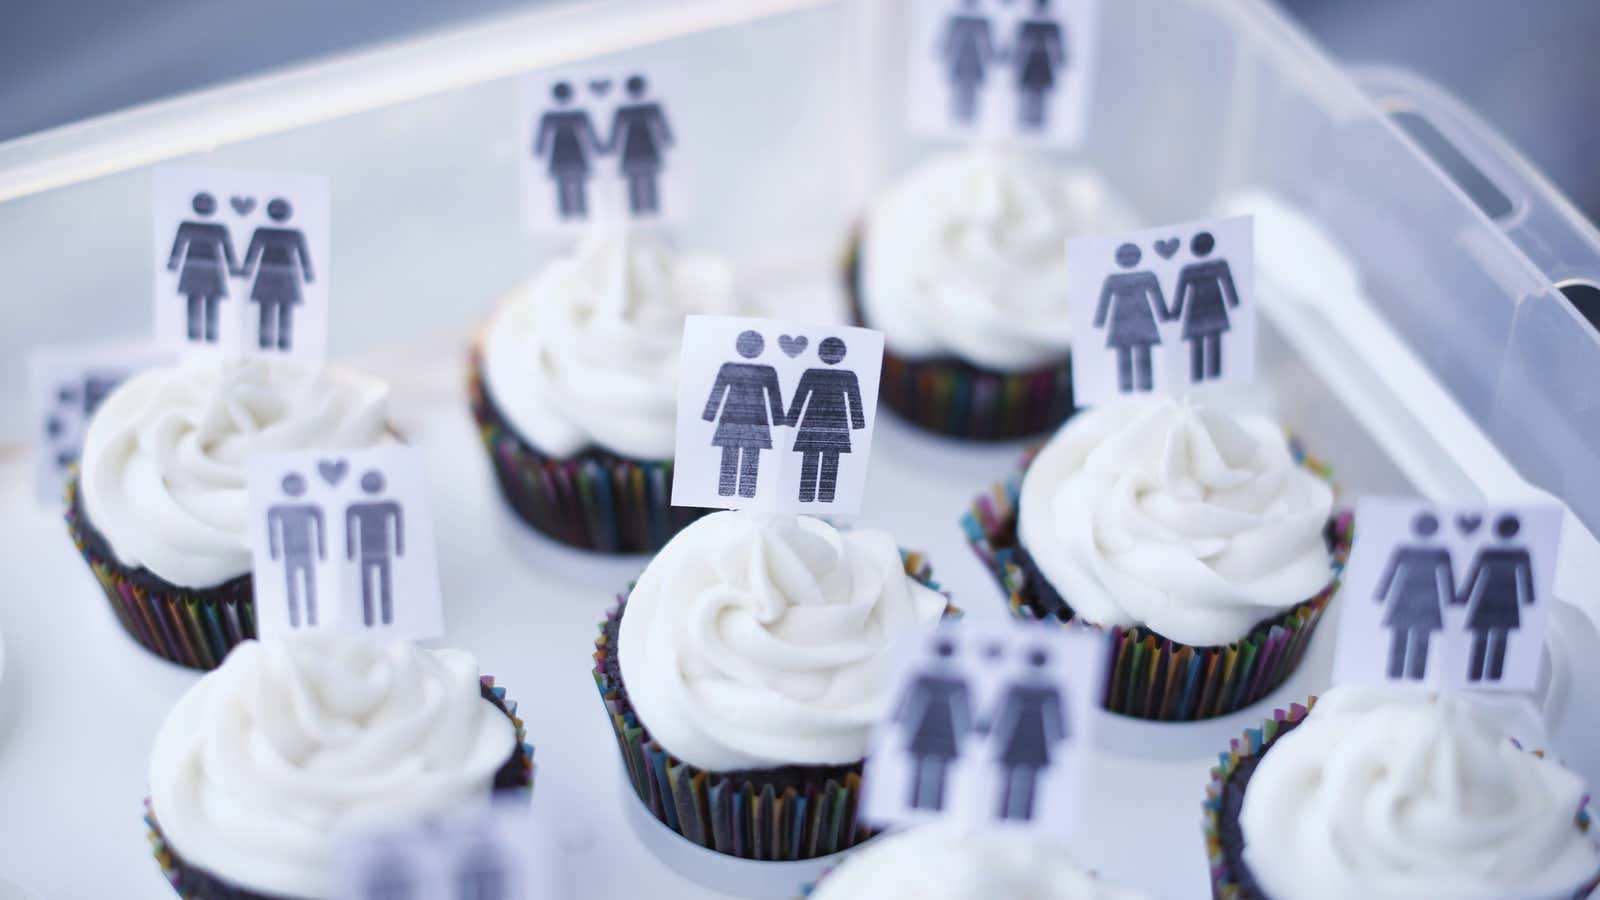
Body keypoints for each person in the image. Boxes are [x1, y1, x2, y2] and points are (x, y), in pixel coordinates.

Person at [702, 331, 786, 499]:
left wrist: (709, 415)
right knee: (744, 456)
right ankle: (734, 491)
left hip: (738, 419)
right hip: (753, 420)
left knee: (738, 456)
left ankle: (734, 491)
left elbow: (718, 392)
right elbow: (774, 397)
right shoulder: (766, 371)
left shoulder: (733, 368)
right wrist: (779, 420)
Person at [893, 637, 972, 812]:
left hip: (926, 727)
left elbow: (907, 702)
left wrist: (898, 719)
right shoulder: (957, 680)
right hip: (944, 729)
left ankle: (917, 806)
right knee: (934, 771)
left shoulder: (924, 676)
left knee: (922, 770)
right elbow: (965, 711)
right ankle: (928, 807)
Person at [988, 646, 1067, 821]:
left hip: (1017, 737)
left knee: (1011, 780)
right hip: (1037, 739)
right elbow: (1060, 720)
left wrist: (993, 733)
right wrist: (1061, 737)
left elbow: (1001, 713)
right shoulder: (1050, 689)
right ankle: (1021, 818)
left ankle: (1006, 816)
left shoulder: (1016, 685)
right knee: (1030, 782)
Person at [1454, 514, 1535, 682]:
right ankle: (1482, 675)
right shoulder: (1502, 552)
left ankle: (1489, 676)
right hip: (1499, 598)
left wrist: (1463, 596)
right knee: (1490, 638)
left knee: (1495, 639)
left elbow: (1525, 578)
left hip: (1497, 597)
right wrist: (1529, 599)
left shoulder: (1517, 553)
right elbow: (1475, 575)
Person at [1374, 512, 1454, 680]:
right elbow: (1392, 572)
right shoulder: (1408, 551)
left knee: (1411, 639)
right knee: (1408, 639)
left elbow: (1447, 576)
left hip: (1418, 597)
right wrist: (1453, 598)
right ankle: (1403, 675)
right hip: (1415, 596)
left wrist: (1381, 594)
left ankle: (1409, 676)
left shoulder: (1439, 553)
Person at [785, 337, 866, 503]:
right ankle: (809, 495)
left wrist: (859, 424)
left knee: (828, 461)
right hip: (821, 423)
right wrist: (790, 420)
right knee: (814, 460)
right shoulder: (812, 373)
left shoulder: (846, 375)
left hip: (830, 424)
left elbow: (854, 400)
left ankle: (822, 496)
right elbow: (800, 397)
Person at [1092, 243, 1169, 393]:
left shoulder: (1146, 276)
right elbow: (1105, 301)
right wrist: (1099, 322)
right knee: (1125, 356)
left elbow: (1156, 296)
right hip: (1126, 320)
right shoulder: (1114, 279)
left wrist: (1165, 315)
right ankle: (1128, 386)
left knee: (1142, 354)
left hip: (1134, 319)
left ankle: (1146, 385)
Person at [239, 198, 314, 351]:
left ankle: (283, 343)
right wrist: (245, 270)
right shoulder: (262, 232)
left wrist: (307, 273)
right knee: (267, 310)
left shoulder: (294, 234)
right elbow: (253, 252)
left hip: (285, 275)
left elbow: (303, 255)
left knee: (284, 310)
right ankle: (264, 343)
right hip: (269, 275)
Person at [166, 191, 238, 343]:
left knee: (209, 304)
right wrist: (173, 264)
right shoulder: (189, 226)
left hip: (207, 269)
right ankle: (195, 336)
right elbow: (178, 246)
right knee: (196, 302)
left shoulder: (219, 228)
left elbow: (228, 249)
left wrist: (233, 269)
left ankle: (210, 336)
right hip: (197, 269)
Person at [1170, 231, 1240, 383]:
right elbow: (1228, 287)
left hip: (1205, 308)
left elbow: (1227, 285)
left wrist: (1175, 312)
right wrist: (1233, 302)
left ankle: (1209, 374)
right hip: (1206, 308)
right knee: (1204, 343)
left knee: (1208, 342)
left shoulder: (1197, 268)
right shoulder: (1194, 268)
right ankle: (1202, 374)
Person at [533, 81, 604, 219]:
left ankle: (572, 215)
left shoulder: (551, 116)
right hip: (573, 155)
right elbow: (591, 136)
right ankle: (574, 215)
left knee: (565, 189)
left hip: (561, 156)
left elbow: (541, 141)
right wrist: (599, 149)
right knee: (574, 188)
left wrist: (539, 151)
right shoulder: (577, 114)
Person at [606, 75, 674, 216]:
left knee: (636, 185)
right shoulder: (650, 108)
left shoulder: (623, 110)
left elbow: (614, 136)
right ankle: (647, 212)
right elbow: (665, 134)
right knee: (648, 183)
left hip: (632, 152)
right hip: (647, 151)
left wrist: (608, 148)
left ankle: (643, 213)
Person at [346, 470, 405, 627]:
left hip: (382, 551)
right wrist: (350, 550)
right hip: (365, 551)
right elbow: (350, 530)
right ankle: (369, 618)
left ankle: (385, 617)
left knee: (384, 583)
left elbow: (397, 527)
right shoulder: (355, 507)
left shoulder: (389, 505)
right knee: (366, 584)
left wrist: (398, 548)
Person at [267, 472, 326, 628]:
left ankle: (311, 618)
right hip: (289, 555)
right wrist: (274, 552)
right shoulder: (277, 510)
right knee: (292, 586)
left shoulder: (312, 508)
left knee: (310, 585)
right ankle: (296, 619)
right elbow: (273, 531)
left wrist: (320, 550)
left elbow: (319, 530)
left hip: (307, 553)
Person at [939, 0, 996, 125]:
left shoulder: (983, 22)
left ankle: (969, 119)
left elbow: (990, 51)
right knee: (961, 92)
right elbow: (944, 46)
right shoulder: (956, 21)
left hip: (974, 67)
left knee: (970, 93)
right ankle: (958, 119)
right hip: (960, 65)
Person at [1013, 0, 1066, 130]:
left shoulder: (1053, 27)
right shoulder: (1026, 25)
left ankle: (1038, 123)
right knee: (1028, 94)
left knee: (1041, 96)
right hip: (1029, 65)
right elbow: (1019, 49)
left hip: (1044, 66)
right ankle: (1025, 121)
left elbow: (1059, 52)